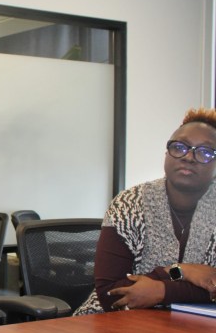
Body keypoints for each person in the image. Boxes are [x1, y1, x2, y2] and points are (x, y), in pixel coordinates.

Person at [75, 108, 216, 315]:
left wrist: (161, 291)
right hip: (116, 322)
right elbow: (110, 293)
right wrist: (179, 271)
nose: (188, 157)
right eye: (179, 147)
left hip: (197, 329)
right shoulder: (129, 204)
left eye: (204, 152)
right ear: (167, 153)